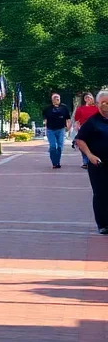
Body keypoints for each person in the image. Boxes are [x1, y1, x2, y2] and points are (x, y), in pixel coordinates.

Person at [72, 89, 108, 234]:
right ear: (97, 104)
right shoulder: (92, 122)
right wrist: (89, 155)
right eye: (103, 102)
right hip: (98, 163)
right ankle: (103, 224)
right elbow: (80, 140)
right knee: (101, 193)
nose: (105, 105)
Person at [42, 93, 72, 169]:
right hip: (50, 129)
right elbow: (45, 119)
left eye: (58, 98)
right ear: (52, 99)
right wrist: (45, 127)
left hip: (61, 129)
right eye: (55, 98)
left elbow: (68, 118)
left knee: (59, 146)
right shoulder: (47, 109)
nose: (57, 99)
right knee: (52, 146)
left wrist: (68, 127)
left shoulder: (64, 107)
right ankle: (54, 162)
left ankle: (57, 162)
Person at [74, 92, 97, 170]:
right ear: (84, 99)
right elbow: (77, 119)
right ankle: (85, 161)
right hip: (83, 128)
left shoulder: (97, 108)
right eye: (86, 98)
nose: (88, 99)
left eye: (89, 97)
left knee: (93, 145)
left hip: (95, 129)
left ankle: (92, 159)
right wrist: (77, 126)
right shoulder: (80, 108)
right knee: (83, 145)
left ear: (92, 98)